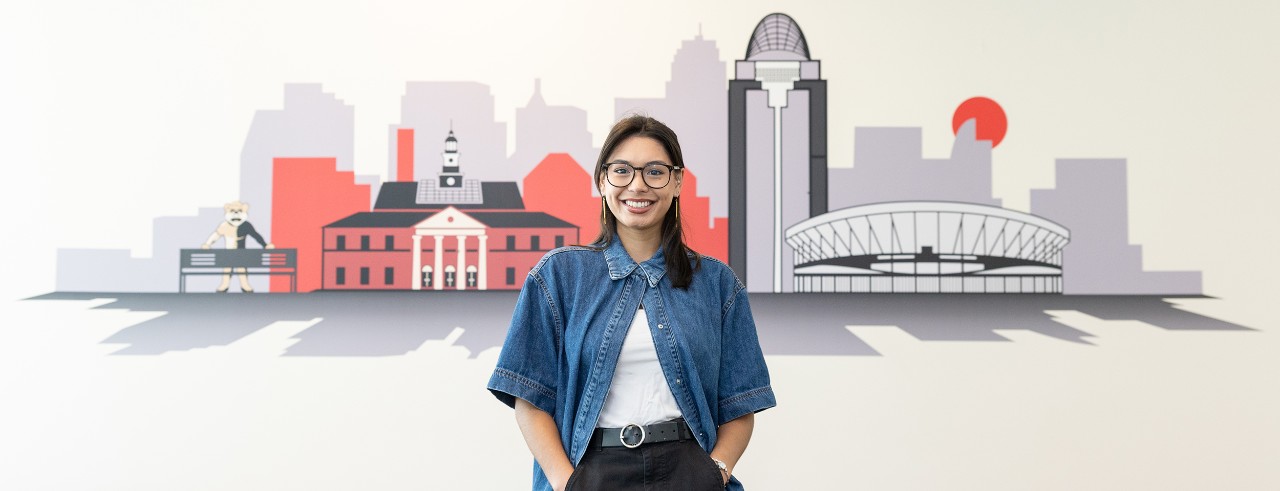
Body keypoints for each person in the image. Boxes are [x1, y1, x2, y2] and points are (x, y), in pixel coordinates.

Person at [487, 116, 774, 490]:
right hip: (592, 472)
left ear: (677, 182)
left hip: (686, 471)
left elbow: (740, 404)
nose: (638, 185)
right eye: (621, 170)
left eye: (655, 171)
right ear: (602, 181)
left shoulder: (717, 283)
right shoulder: (558, 276)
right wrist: (565, 482)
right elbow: (529, 398)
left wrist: (714, 472)